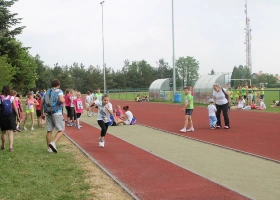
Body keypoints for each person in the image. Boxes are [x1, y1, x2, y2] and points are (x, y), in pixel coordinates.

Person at [41, 79, 65, 153]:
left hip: (48, 112)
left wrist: (43, 113)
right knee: (61, 130)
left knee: (49, 131)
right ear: (58, 85)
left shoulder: (47, 92)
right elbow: (62, 100)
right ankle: (53, 142)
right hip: (57, 112)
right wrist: (63, 100)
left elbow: (42, 102)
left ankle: (49, 148)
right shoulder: (59, 91)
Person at [0, 85, 20, 152]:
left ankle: (3, 145)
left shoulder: (0, 97)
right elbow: (15, 107)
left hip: (2, 115)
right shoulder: (11, 98)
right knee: (10, 132)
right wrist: (18, 116)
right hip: (10, 116)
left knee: (3, 132)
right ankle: (11, 147)